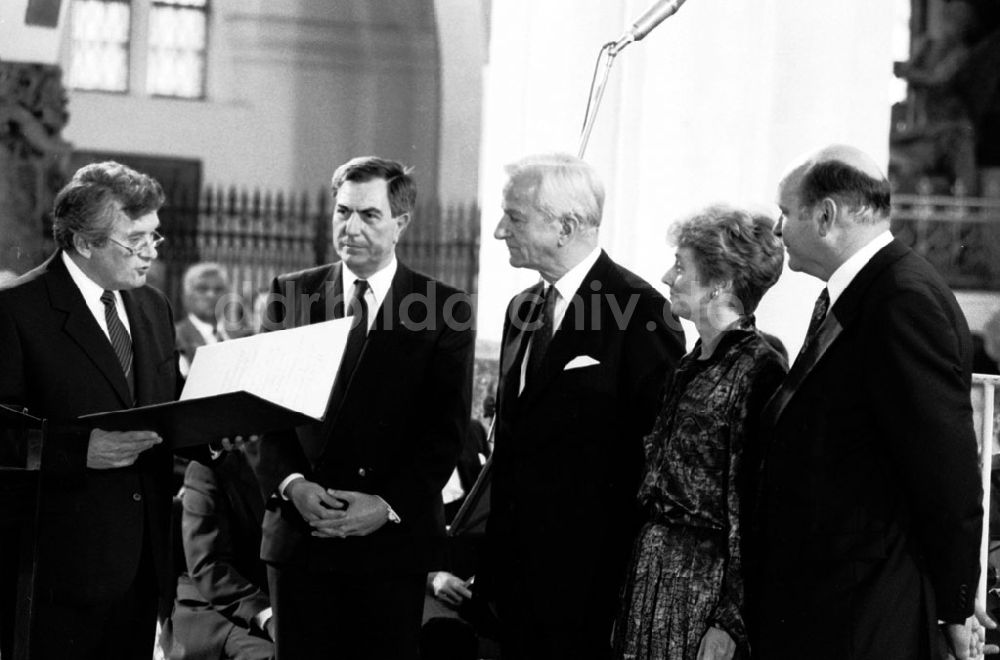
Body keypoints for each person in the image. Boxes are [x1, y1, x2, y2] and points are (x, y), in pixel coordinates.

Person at [758, 145, 986, 659]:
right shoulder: (870, 288)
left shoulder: (901, 296)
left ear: (826, 216)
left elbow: (944, 464)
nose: (777, 230)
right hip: (834, 591)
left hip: (869, 601)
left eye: (785, 213)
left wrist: (955, 602)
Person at [253, 156, 475, 660]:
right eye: (341, 212)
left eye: (368, 215)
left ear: (401, 222)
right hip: (301, 538)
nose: (349, 228)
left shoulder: (444, 308)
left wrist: (385, 505)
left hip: (389, 547)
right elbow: (267, 415)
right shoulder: (292, 294)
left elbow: (443, 435)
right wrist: (294, 484)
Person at [480, 152, 685, 659]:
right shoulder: (522, 308)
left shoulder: (641, 310)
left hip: (589, 588)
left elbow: (653, 457)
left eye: (516, 217)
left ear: (566, 226)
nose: (500, 231)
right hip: (512, 584)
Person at [0, 161, 181, 658]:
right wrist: (79, 450)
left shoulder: (152, 306)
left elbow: (168, 403)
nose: (150, 253)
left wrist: (221, 428)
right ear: (84, 243)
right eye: (135, 240)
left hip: (142, 569)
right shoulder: (16, 310)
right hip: (55, 573)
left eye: (155, 237)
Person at [612, 205, 787, 660]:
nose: (668, 277)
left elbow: (753, 502)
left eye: (680, 266)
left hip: (702, 585)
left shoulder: (758, 367)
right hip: (655, 572)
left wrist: (730, 620)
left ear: (721, 282)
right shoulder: (690, 363)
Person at [160, 438, 274, 660]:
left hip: (271, 600)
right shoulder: (209, 467)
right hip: (215, 609)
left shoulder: (297, 471)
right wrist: (269, 615)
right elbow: (208, 566)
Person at [175, 262, 236, 377]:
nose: (211, 295)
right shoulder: (175, 337)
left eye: (218, 290)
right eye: (202, 289)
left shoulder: (240, 337)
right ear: (186, 297)